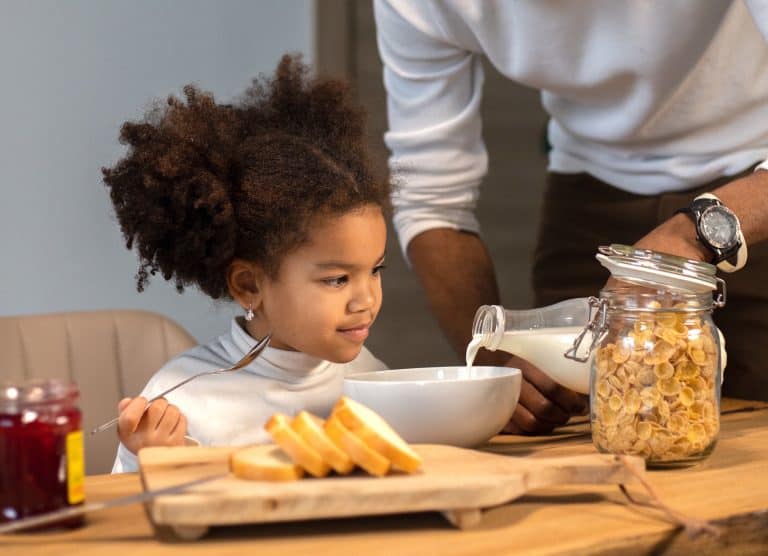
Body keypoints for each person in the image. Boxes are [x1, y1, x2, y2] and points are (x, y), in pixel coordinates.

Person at [374, 0, 768, 433]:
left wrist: (692, 235)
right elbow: (430, 194)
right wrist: (492, 359)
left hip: (754, 174)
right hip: (588, 189)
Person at [102, 55, 390, 473]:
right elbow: (130, 518)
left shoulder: (374, 380)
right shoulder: (181, 400)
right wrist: (143, 456)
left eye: (376, 270)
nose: (365, 299)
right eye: (337, 279)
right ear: (250, 286)